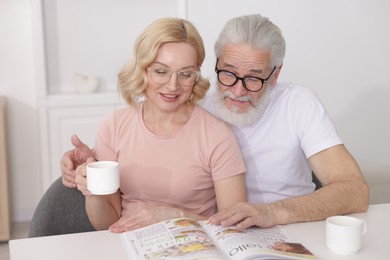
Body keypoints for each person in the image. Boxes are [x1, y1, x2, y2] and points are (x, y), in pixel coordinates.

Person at [62, 14, 369, 230]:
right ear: (214, 65)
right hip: (216, 232)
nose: (236, 90)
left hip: (289, 229)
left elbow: (355, 190)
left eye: (253, 79)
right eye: (228, 73)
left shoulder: (298, 103)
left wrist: (271, 213)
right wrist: (93, 165)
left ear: (275, 74)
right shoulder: (195, 103)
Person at [72, 17, 247, 233]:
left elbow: (235, 225)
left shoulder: (217, 135)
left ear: (196, 75)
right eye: (161, 71)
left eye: (185, 74)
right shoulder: (114, 126)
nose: (173, 86)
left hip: (195, 246)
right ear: (143, 69)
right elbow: (105, 224)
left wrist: (176, 217)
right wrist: (92, 191)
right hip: (130, 245)